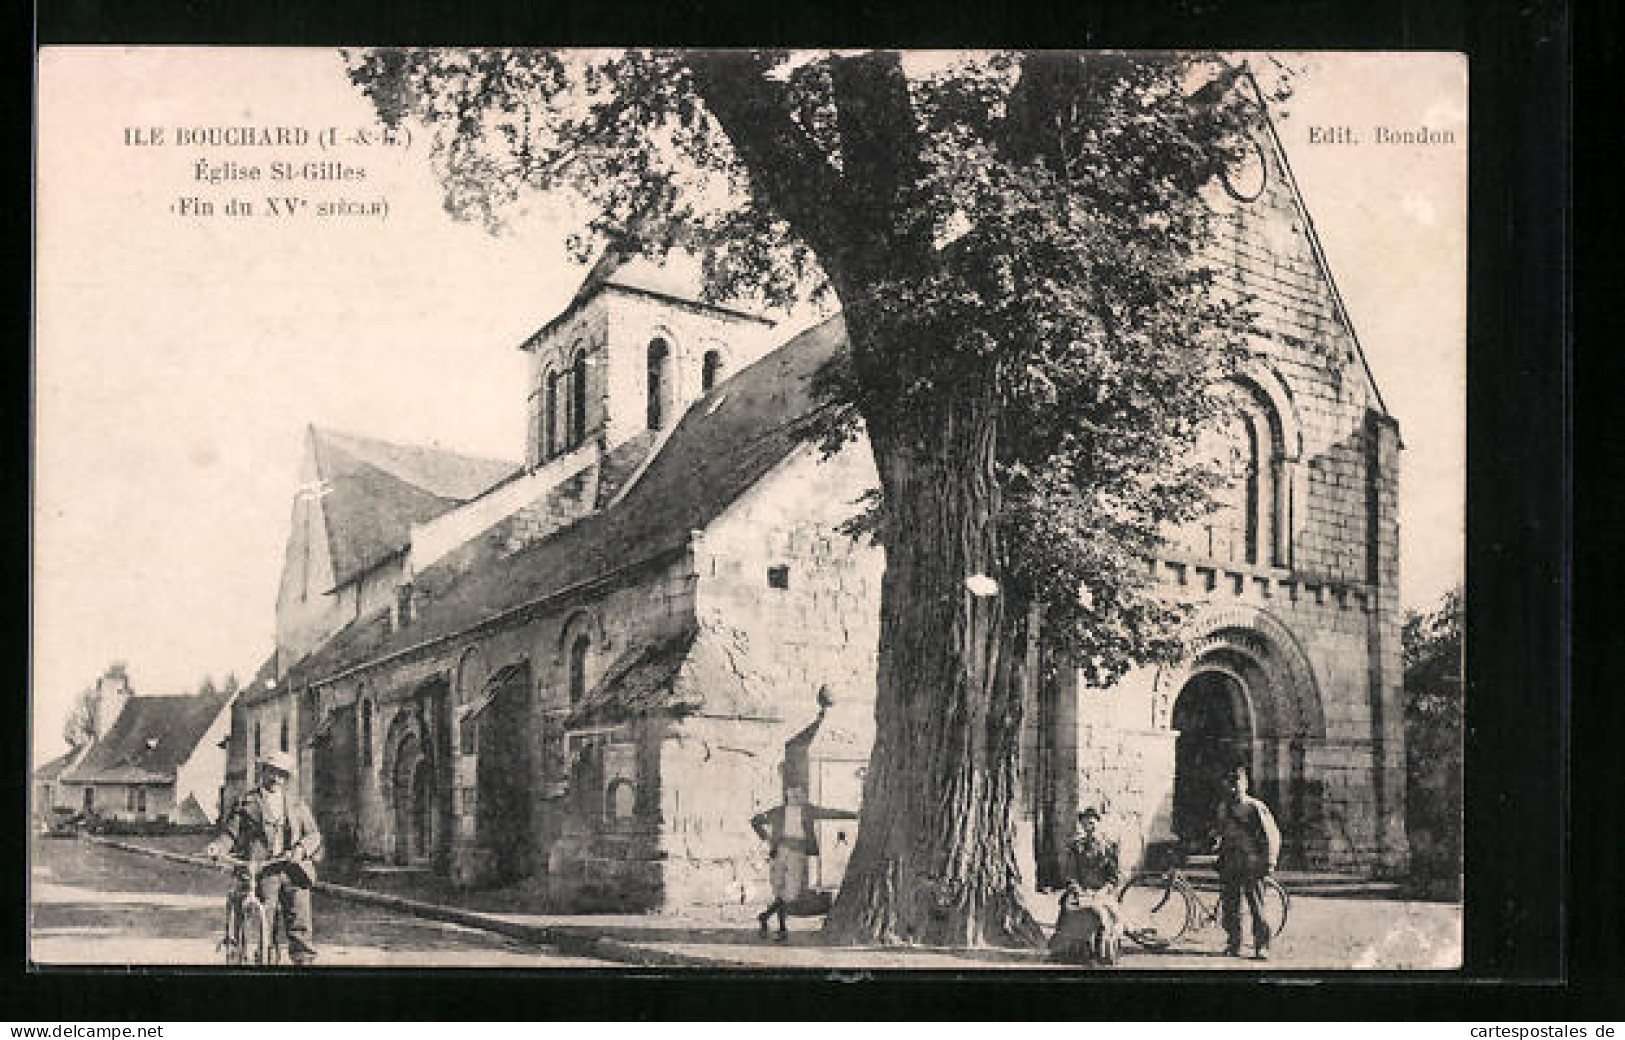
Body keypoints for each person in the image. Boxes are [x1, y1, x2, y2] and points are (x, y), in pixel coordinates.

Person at [209, 750, 323, 965]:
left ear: (287, 778)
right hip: (264, 870)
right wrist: (217, 846)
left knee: (300, 925)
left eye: (282, 774)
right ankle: (266, 963)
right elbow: (231, 834)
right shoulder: (247, 802)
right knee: (266, 926)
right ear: (263, 772)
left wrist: (301, 850)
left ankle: (305, 966)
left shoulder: (296, 802)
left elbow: (314, 835)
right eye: (272, 772)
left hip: (294, 870)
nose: (276, 779)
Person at [749, 784, 857, 940]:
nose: (796, 796)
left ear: (803, 795)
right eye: (793, 793)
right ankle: (781, 928)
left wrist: (855, 815)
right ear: (787, 794)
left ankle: (766, 917)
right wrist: (766, 838)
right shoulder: (777, 812)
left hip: (797, 853)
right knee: (780, 889)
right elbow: (755, 821)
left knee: (790, 894)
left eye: (800, 793)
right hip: (779, 852)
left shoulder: (809, 810)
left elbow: (830, 813)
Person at [1213, 763, 1281, 960]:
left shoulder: (1255, 808)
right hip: (1230, 862)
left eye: (1237, 783)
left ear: (1245, 784)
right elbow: (1221, 832)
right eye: (1230, 783)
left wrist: (1269, 862)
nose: (1233, 787)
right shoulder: (1223, 808)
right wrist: (1217, 844)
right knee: (1230, 907)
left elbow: (1271, 836)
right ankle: (1233, 943)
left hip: (1252, 863)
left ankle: (1262, 946)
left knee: (1256, 907)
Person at [1048, 807, 1124, 964]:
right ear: (1082, 826)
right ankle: (1068, 951)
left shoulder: (1108, 846)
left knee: (1101, 912)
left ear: (1098, 823)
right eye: (1086, 824)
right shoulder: (1077, 847)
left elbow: (1115, 876)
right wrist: (1076, 887)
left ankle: (1099, 952)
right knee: (1067, 906)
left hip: (1102, 892)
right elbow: (1070, 873)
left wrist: (1105, 889)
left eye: (1092, 823)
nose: (1090, 827)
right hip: (1082, 891)